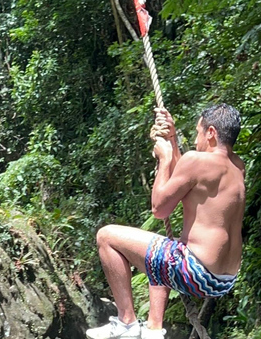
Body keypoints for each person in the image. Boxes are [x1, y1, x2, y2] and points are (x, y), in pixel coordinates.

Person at [86, 104, 246, 339]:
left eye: (198, 132)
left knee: (106, 236)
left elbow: (160, 209)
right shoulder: (237, 166)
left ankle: (126, 323)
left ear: (211, 133)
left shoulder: (197, 161)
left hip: (195, 272)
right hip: (224, 280)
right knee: (159, 248)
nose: (195, 138)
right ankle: (153, 328)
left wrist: (164, 158)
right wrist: (171, 140)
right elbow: (188, 182)